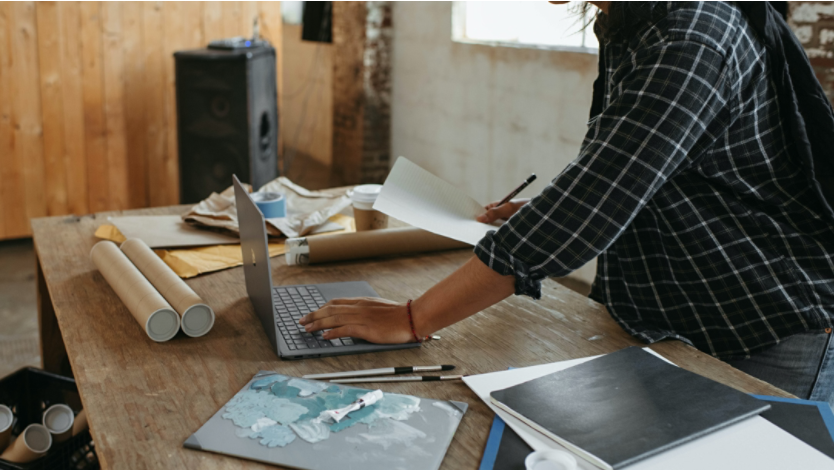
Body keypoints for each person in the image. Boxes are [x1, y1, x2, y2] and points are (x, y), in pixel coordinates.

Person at [301, 2, 834, 404]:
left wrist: (413, 318)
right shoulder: (631, 21)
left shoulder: (692, 32)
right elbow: (639, 178)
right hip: (678, 323)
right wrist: (546, 213)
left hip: (766, 330)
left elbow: (591, 203)